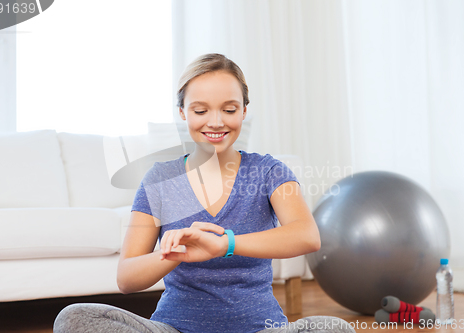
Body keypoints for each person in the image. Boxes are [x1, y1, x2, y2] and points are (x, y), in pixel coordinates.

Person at [53, 53, 356, 333]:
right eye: (201, 110)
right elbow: (127, 279)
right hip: (175, 328)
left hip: (258, 328)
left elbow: (307, 235)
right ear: (183, 112)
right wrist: (173, 253)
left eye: (229, 109)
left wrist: (225, 244)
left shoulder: (268, 171)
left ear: (244, 111)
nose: (216, 121)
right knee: (74, 318)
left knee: (335, 328)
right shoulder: (161, 178)